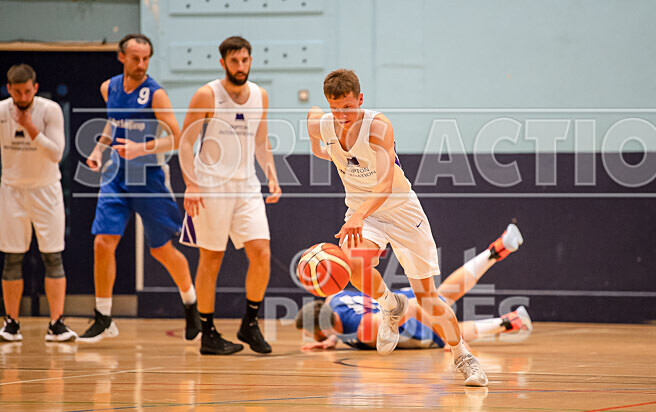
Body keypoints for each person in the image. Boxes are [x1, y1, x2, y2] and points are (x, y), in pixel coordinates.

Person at [306, 69, 488, 386]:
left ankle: (463, 356)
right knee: (353, 263)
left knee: (428, 297)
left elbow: (386, 184)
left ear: (360, 100)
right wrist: (328, 153)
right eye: (335, 109)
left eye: (348, 107)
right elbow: (315, 134)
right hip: (364, 213)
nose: (342, 115)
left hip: (401, 210)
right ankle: (391, 305)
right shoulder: (322, 123)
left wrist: (358, 215)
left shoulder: (378, 126)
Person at [82, 34, 199, 342]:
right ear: (122, 57)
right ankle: (103, 316)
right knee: (102, 243)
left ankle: (191, 306)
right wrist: (98, 151)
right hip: (116, 176)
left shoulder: (155, 94)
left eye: (146, 58)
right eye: (135, 58)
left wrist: (142, 148)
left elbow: (177, 137)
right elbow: (113, 123)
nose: (141, 64)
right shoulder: (109, 87)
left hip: (149, 177)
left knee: (161, 250)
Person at [178, 36, 281, 355]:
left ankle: (249, 324)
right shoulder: (207, 94)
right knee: (212, 258)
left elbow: (261, 141)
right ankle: (208, 332)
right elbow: (185, 142)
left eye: (245, 60)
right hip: (210, 185)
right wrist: (191, 184)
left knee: (261, 252)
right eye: (234, 61)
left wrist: (272, 176)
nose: (241, 66)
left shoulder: (260, 95)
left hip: (247, 185)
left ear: (251, 60)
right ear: (223, 63)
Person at [296, 224, 529, 351]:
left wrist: (449, 338)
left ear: (323, 329)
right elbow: (332, 318)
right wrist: (331, 339)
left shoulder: (362, 329)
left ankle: (510, 322)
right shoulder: (332, 301)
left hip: (407, 316)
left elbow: (410, 309)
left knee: (449, 329)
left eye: (315, 334)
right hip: (396, 296)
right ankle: (494, 251)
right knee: (445, 295)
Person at [0, 64, 77, 342]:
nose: (23, 97)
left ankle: (56, 323)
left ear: (35, 86)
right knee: (12, 258)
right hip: (12, 190)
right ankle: (11, 322)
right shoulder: (1, 111)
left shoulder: (50, 110)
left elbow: (57, 153)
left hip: (46, 190)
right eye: (17, 92)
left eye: (27, 91)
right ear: (9, 89)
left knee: (53, 256)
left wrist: (30, 127)